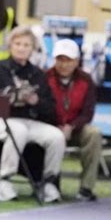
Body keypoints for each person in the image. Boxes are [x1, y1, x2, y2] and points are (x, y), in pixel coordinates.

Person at [0, 26, 66, 202]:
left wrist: (35, 101)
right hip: (2, 120)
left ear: (33, 49)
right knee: (18, 131)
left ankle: (48, 183)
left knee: (56, 136)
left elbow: (50, 108)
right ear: (10, 45)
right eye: (18, 43)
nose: (22, 48)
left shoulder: (38, 74)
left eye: (27, 45)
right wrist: (12, 96)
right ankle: (3, 181)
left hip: (30, 120)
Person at [46, 38, 101, 201]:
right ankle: (51, 182)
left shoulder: (86, 80)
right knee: (50, 136)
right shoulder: (45, 77)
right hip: (51, 126)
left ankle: (86, 188)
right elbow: (43, 107)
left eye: (68, 60)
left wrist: (72, 126)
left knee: (94, 134)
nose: (64, 65)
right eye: (60, 60)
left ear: (76, 61)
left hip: (76, 128)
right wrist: (57, 127)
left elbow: (88, 112)